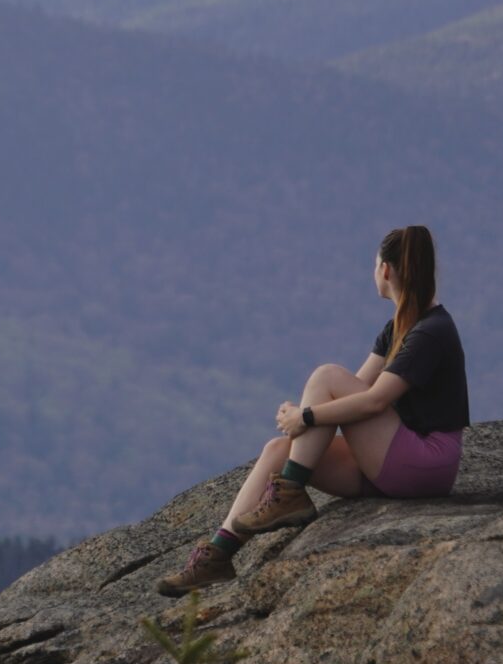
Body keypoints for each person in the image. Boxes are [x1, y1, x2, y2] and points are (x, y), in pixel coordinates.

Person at [157, 225, 469, 596]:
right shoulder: (398, 328)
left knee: (325, 375)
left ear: (385, 270)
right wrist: (306, 414)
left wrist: (305, 417)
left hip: (425, 461)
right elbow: (353, 392)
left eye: (373, 266)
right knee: (278, 451)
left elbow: (373, 401)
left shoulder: (431, 331)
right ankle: (216, 556)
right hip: (392, 458)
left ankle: (288, 494)